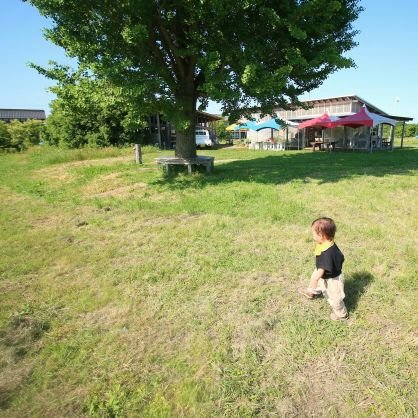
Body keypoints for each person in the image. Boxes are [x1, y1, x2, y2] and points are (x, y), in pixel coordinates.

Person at [298, 217, 348, 321]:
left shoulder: (326, 254)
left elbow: (319, 274)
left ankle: (341, 314)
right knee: (319, 281)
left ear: (321, 236)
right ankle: (313, 291)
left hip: (332, 279)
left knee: (335, 298)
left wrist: (314, 280)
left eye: (313, 233)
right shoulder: (328, 243)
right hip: (324, 271)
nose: (312, 235)